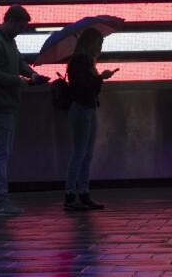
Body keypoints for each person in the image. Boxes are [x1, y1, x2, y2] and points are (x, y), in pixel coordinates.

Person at [0, 5, 49, 217]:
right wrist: (21, 81)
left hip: (5, 104)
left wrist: (32, 75)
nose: (20, 30)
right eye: (20, 26)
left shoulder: (7, 40)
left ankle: (0, 199)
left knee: (2, 152)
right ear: (10, 21)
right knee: (0, 153)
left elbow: (18, 62)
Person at [63, 29, 116, 211]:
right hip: (82, 109)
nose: (100, 48)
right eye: (99, 44)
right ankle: (71, 195)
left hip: (87, 109)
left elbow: (88, 89)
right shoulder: (80, 62)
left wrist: (98, 78)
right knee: (81, 154)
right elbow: (83, 89)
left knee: (85, 154)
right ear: (91, 44)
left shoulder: (85, 62)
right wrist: (100, 78)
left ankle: (81, 194)